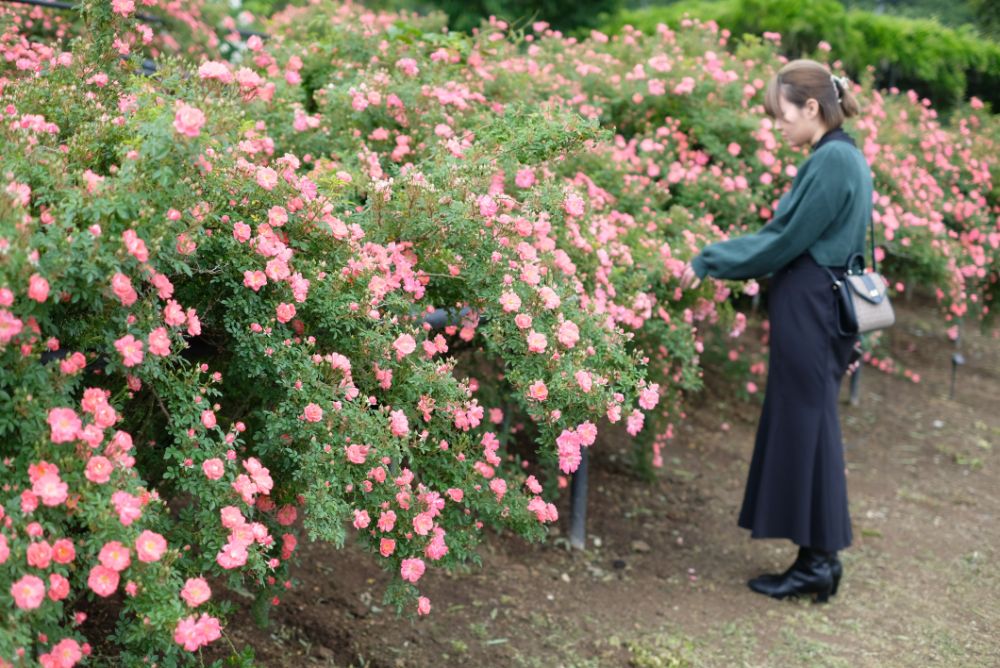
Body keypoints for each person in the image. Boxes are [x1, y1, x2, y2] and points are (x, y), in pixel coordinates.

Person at [679, 59, 872, 603]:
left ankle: (819, 561)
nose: (778, 126)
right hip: (823, 305)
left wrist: (710, 260)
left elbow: (782, 239)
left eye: (782, 115)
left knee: (806, 425)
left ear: (813, 108)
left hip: (812, 303)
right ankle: (818, 559)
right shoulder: (843, 154)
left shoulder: (832, 160)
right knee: (811, 425)